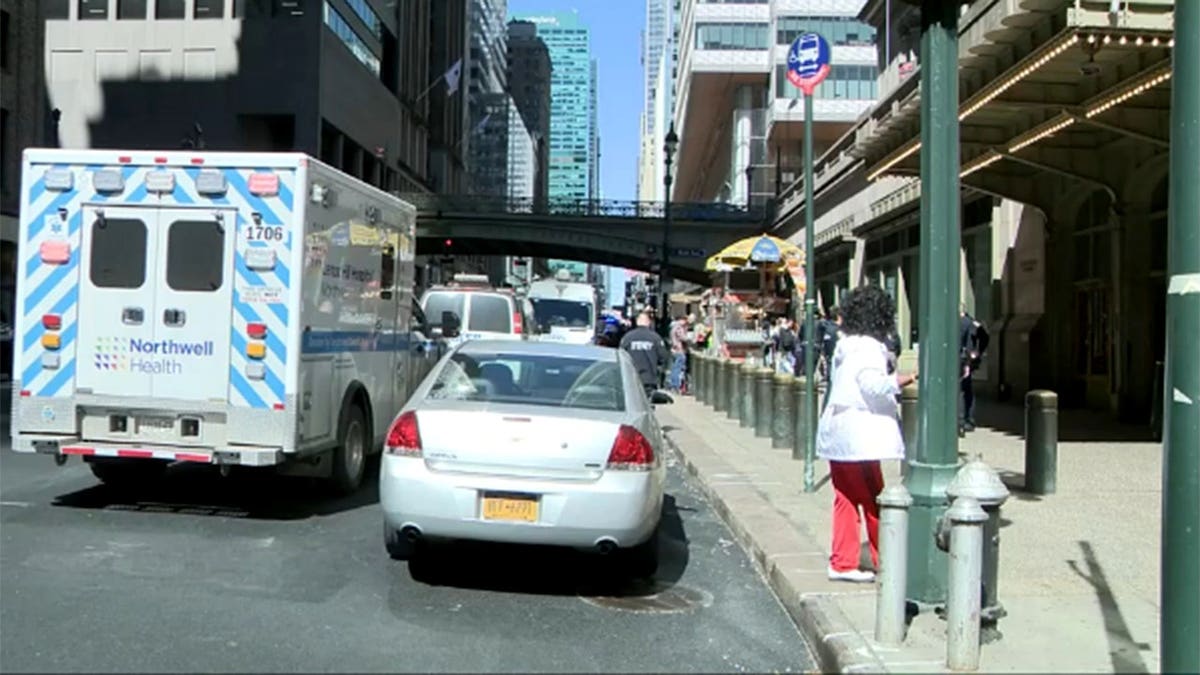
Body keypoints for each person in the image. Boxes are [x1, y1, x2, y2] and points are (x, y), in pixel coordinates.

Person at [816, 285, 917, 583]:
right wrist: (903, 379)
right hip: (860, 435)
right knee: (874, 498)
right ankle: (882, 557)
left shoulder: (845, 345)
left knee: (846, 497)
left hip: (839, 432)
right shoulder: (869, 348)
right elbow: (872, 384)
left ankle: (845, 559)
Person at [620, 312, 670, 397]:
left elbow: (621, 355)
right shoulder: (655, 338)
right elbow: (663, 357)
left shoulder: (627, 337)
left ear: (637, 322)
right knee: (647, 403)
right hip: (649, 379)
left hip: (630, 377)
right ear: (648, 322)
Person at [959, 306, 990, 435]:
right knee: (965, 390)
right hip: (965, 359)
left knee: (964, 390)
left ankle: (966, 419)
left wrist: (975, 354)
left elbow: (983, 336)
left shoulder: (969, 322)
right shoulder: (969, 322)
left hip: (965, 360)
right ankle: (966, 419)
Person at [668, 315, 689, 393]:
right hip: (679, 350)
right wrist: (690, 339)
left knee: (674, 367)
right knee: (678, 368)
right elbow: (682, 338)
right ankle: (675, 385)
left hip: (674, 350)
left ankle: (673, 384)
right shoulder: (678, 327)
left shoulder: (673, 327)